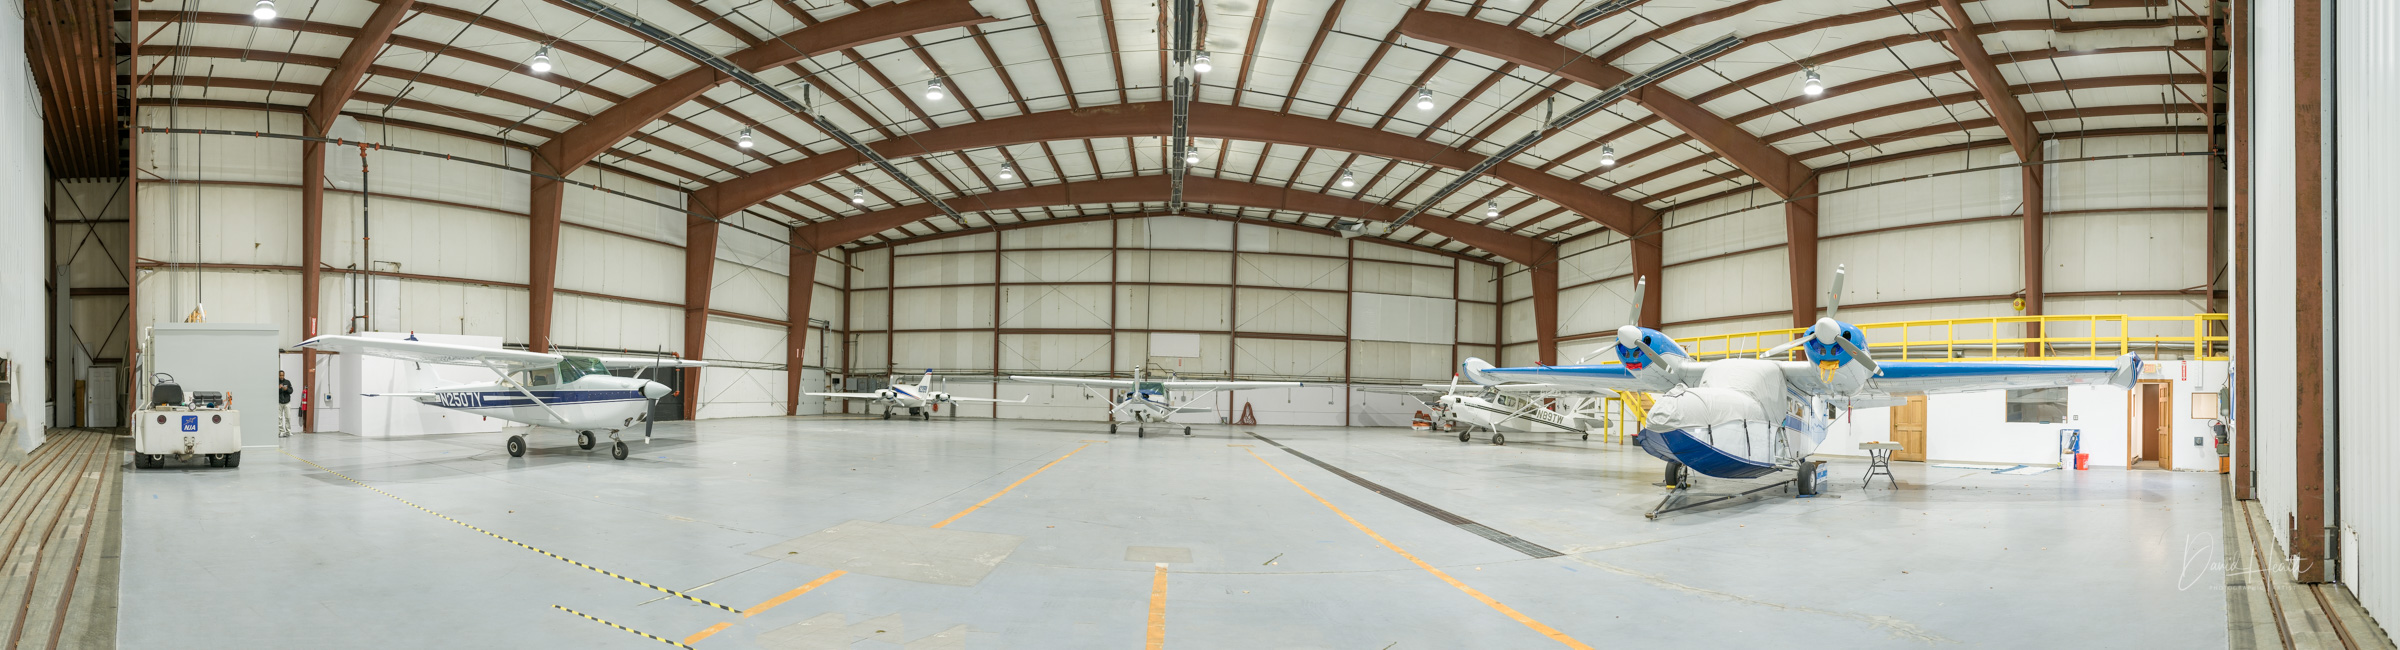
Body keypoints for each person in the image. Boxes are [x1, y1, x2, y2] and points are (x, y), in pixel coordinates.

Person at [278, 371, 294, 437]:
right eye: (280, 375)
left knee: (288, 417)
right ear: (278, 375)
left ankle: (288, 431)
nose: (281, 376)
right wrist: (279, 388)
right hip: (279, 402)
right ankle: (281, 431)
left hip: (287, 402)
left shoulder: (287, 382)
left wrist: (286, 389)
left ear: (284, 375)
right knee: (279, 418)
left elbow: (291, 391)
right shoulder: (276, 382)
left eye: (282, 375)